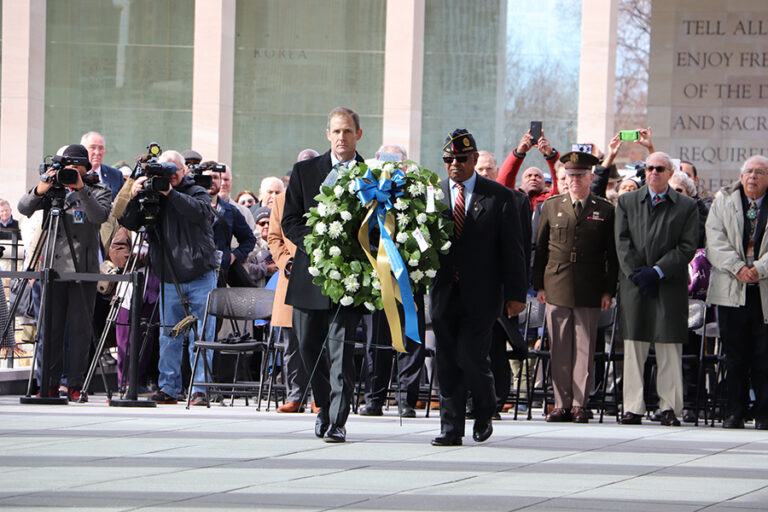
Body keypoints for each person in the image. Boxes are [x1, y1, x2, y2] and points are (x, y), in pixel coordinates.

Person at [429, 129, 527, 446]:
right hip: (444, 292)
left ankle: (485, 407)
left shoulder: (499, 196)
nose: (454, 164)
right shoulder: (433, 195)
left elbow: (513, 250)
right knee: (446, 361)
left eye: (460, 158)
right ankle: (451, 428)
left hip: (482, 295)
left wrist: (515, 295)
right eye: (448, 159)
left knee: (470, 356)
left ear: (474, 159)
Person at [282, 106, 366, 443]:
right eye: (336, 131)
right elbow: (290, 221)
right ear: (327, 134)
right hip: (310, 275)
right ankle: (322, 406)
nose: (342, 137)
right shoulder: (305, 171)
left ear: (358, 134)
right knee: (308, 346)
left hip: (349, 277)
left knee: (340, 349)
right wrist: (319, 243)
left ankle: (337, 419)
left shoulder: (372, 175)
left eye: (347, 131)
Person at [119, 150, 217, 406]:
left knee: (201, 335)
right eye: (166, 171)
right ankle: (169, 388)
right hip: (169, 276)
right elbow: (129, 223)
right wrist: (135, 197)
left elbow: (199, 212)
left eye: (175, 171)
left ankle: (200, 389)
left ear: (184, 171)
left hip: (199, 274)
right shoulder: (153, 191)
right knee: (169, 334)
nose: (170, 176)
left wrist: (169, 194)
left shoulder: (196, 191)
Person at [17, 144, 112, 401]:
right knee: (50, 330)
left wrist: (80, 189)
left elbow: (98, 216)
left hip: (83, 271)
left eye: (75, 168)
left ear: (85, 168)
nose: (70, 172)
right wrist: (42, 187)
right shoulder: (53, 189)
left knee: (80, 331)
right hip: (51, 268)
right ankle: (46, 384)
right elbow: (24, 208)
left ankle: (75, 384)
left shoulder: (98, 190)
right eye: (66, 168)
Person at [532, 151, 618, 423]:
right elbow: (541, 248)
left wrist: (608, 290)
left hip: (589, 285)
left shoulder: (604, 209)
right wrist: (539, 286)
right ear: (564, 178)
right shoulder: (552, 205)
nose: (575, 181)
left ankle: (580, 404)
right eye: (570, 176)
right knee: (559, 346)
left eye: (580, 176)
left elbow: (611, 254)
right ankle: (561, 403)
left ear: (591, 177)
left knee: (584, 346)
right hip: (556, 282)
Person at [615, 151, 698, 426]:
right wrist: (638, 274)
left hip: (669, 284)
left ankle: (669, 407)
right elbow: (622, 242)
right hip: (635, 283)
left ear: (670, 172)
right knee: (634, 345)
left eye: (660, 169)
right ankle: (632, 407)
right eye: (649, 168)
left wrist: (658, 271)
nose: (653, 173)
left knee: (668, 346)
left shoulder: (686, 206)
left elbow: (687, 246)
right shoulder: (627, 202)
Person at [358, 144, 427, 419]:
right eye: (384, 160)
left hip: (409, 276)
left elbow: (426, 231)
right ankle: (374, 398)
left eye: (395, 161)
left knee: (410, 336)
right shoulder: (367, 192)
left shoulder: (417, 192)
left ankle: (406, 400)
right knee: (376, 340)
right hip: (378, 275)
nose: (390, 167)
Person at [706, 155, 768, 430]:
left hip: (763, 291)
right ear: (741, 176)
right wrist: (738, 267)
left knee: (764, 356)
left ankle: (764, 413)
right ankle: (735, 412)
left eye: (760, 172)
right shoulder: (724, 201)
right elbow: (714, 240)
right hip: (732, 290)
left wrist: (759, 269)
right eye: (748, 172)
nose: (753, 177)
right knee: (735, 355)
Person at [268, 190, 310, 413]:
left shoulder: (329, 193)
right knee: (291, 343)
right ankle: (295, 395)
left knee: (318, 341)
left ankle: (319, 396)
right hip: (291, 276)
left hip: (321, 276)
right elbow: (274, 237)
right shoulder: (283, 199)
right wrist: (287, 262)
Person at [202, 162, 256, 287]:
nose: (212, 181)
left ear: (221, 181)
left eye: (215, 177)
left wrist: (233, 256)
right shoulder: (190, 207)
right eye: (208, 177)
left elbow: (249, 239)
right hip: (195, 276)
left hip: (220, 277)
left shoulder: (231, 211)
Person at [496, 130, 560, 209]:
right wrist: (518, 153)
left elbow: (561, 178)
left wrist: (551, 155)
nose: (533, 178)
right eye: (528, 176)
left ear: (545, 184)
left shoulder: (551, 198)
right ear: (521, 184)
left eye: (538, 176)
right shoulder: (514, 197)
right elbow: (503, 183)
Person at [80, 132, 124, 200]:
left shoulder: (116, 175)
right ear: (83, 150)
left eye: (101, 148)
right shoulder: (77, 174)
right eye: (92, 148)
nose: (97, 152)